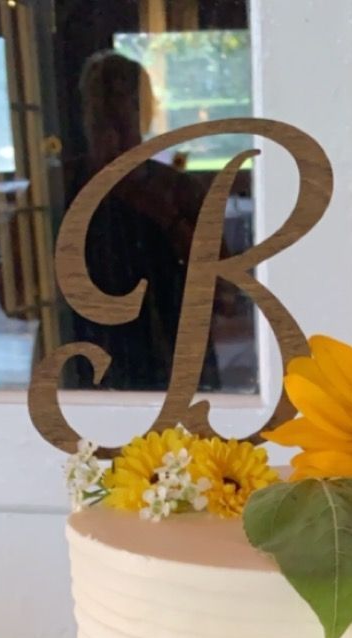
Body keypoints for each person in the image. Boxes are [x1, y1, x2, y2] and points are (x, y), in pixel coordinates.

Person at [64, 51, 221, 391]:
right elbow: (19, 294)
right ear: (84, 113)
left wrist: (157, 209)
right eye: (104, 107)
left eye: (128, 104)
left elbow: (222, 286)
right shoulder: (58, 188)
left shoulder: (175, 188)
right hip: (78, 349)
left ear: (144, 113)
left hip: (165, 349)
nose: (117, 116)